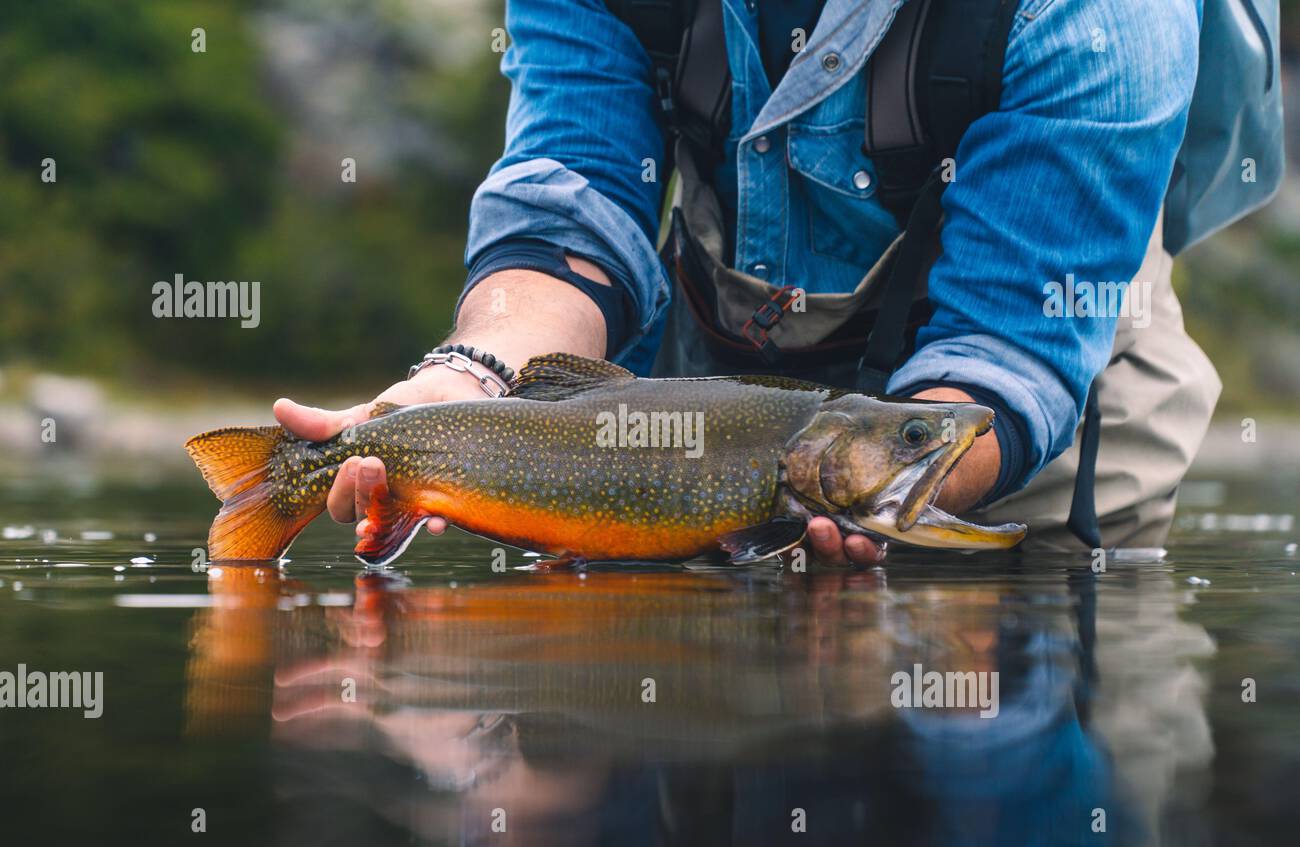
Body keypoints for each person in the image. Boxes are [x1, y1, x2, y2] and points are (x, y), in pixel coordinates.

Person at [274, 0, 1219, 566]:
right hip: (702, 410)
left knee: (1025, 708)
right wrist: (473, 375)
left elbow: (1011, 343)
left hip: (1039, 381)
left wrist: (895, 480)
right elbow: (579, 196)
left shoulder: (1107, 20)